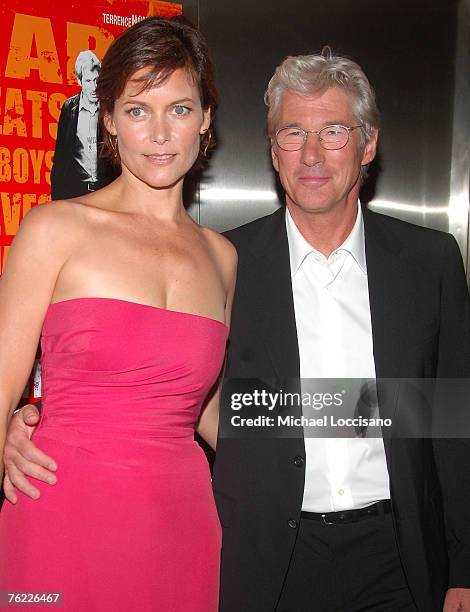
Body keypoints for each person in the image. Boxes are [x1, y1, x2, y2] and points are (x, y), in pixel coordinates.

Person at [5, 50, 470, 612]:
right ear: (272, 152)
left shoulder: (427, 262)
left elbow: (450, 422)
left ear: (368, 144)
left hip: (394, 557)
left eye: (334, 131)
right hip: (265, 556)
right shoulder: (237, 259)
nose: (313, 154)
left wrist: (463, 565)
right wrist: (21, 422)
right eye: (294, 134)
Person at [0, 16, 236, 612]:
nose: (159, 133)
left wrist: (335, 441)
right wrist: (6, 435)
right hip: (60, 514)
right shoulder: (55, 229)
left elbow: (207, 408)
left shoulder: (222, 258)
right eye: (137, 110)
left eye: (179, 109)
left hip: (181, 527)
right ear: (108, 121)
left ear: (205, 119)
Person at [50, 50, 119, 199]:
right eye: (88, 81)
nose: (94, 87)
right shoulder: (69, 108)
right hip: (75, 193)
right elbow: (61, 157)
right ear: (79, 81)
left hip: (107, 193)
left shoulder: (111, 107)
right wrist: (56, 200)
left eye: (97, 80)